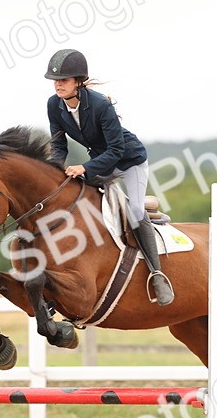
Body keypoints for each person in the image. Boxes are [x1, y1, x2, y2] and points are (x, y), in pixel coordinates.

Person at [44, 48, 174, 306]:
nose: (58, 85)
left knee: (135, 209)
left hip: (128, 161)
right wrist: (53, 172)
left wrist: (85, 168)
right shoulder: (54, 105)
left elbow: (116, 151)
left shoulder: (101, 105)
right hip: (100, 163)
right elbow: (59, 146)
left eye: (64, 80)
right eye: (55, 80)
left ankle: (157, 274)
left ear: (79, 81)